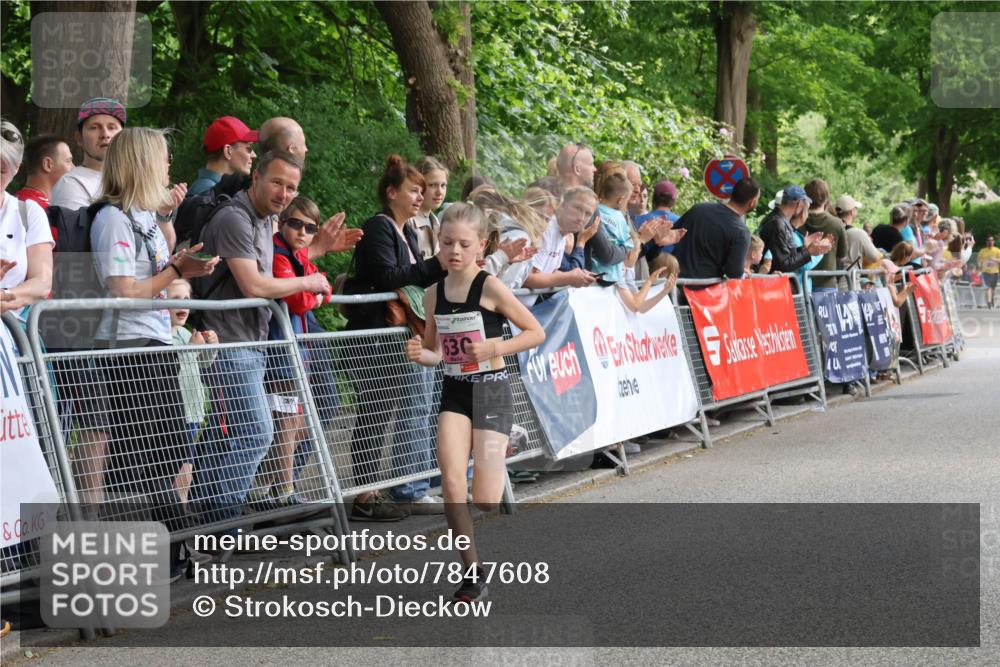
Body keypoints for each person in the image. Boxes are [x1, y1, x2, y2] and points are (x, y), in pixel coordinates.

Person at [405, 203, 545, 603]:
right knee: (452, 483)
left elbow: (535, 332)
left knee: (485, 499)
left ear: (480, 245)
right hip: (455, 392)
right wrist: (421, 353)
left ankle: (504, 441)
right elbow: (437, 352)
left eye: (464, 244)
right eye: (447, 242)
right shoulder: (432, 293)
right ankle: (472, 572)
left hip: (492, 391)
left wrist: (493, 347)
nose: (454, 251)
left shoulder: (490, 286)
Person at [88, 127, 219, 543]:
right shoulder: (112, 219)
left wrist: (178, 257)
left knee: (167, 448)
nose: (168, 166)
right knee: (144, 452)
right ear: (142, 164)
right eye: (162, 158)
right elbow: (125, 291)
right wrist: (178, 271)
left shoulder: (143, 215)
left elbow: (160, 260)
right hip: (130, 344)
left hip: (155, 339)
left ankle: (170, 541)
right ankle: (153, 543)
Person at [194, 150, 336, 522]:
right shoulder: (234, 219)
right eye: (277, 182)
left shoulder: (266, 219)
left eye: (291, 187)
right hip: (228, 340)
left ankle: (205, 517)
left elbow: (289, 260)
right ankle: (225, 520)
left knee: (226, 436)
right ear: (256, 177)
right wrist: (309, 281)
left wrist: (313, 260)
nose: (284, 193)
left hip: (251, 340)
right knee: (257, 431)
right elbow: (253, 283)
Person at [344, 154, 448, 520]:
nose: (420, 197)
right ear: (391, 193)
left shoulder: (405, 230)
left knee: (397, 411)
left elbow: (408, 276)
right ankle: (366, 495)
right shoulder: (379, 227)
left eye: (423, 191)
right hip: (375, 338)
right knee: (375, 413)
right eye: (413, 191)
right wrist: (437, 265)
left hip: (397, 335)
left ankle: (391, 487)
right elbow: (390, 277)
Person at [166, 278, 218, 508]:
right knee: (184, 465)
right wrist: (192, 350)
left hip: (194, 412)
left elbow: (203, 364)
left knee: (187, 463)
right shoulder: (162, 336)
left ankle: (181, 509)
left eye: (186, 299)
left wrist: (210, 348)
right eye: (175, 299)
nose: (183, 304)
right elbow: (172, 366)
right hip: (178, 412)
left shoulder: (187, 334)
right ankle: (181, 509)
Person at [1, 121, 54, 316]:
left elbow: (42, 282)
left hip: (11, 332)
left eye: (1, 171)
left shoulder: (29, 212)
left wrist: (6, 296)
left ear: (16, 169)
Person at [519, 186, 600, 305]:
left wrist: (580, 275)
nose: (581, 218)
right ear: (562, 205)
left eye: (588, 214)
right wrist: (569, 278)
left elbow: (551, 273)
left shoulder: (562, 234)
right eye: (578, 208)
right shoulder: (546, 228)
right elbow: (527, 278)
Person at [673, 177, 761, 280]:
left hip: (673, 282)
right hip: (703, 290)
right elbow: (734, 272)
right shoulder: (741, 232)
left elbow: (673, 235)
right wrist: (742, 272)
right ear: (752, 202)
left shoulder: (699, 209)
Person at [50, 97, 127, 209]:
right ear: (79, 138)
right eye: (95, 127)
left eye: (112, 127)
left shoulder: (135, 179)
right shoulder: (71, 184)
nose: (105, 134)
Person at [757, 186, 831, 286]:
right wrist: (809, 252)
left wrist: (804, 248)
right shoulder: (777, 224)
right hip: (774, 286)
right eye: (805, 206)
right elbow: (784, 265)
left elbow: (785, 257)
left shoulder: (777, 221)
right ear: (799, 204)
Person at [187, 116, 258, 197]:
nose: (254, 155)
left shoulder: (209, 189)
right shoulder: (208, 194)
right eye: (249, 149)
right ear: (228, 151)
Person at [802, 179, 847, 293]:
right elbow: (842, 255)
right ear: (826, 198)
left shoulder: (797, 222)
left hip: (800, 284)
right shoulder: (836, 224)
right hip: (827, 283)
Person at [15, 134, 74, 209]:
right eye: (68, 161)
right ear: (47, 164)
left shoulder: (15, 201)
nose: (74, 168)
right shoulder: (37, 210)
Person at [408, 156, 448, 260]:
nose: (439, 192)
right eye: (432, 185)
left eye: (443, 185)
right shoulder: (408, 221)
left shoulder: (435, 221)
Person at [835, 195, 882, 269]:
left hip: (831, 278)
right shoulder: (859, 233)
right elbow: (874, 257)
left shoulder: (830, 230)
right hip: (851, 279)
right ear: (852, 212)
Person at [978, 236, 1000, 308]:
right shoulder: (982, 251)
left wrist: (994, 259)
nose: (990, 242)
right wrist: (980, 267)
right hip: (985, 272)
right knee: (988, 287)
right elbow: (979, 260)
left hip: (995, 272)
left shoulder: (997, 250)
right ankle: (989, 302)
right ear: (986, 242)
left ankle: (992, 299)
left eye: (991, 240)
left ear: (993, 242)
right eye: (988, 240)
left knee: (993, 288)